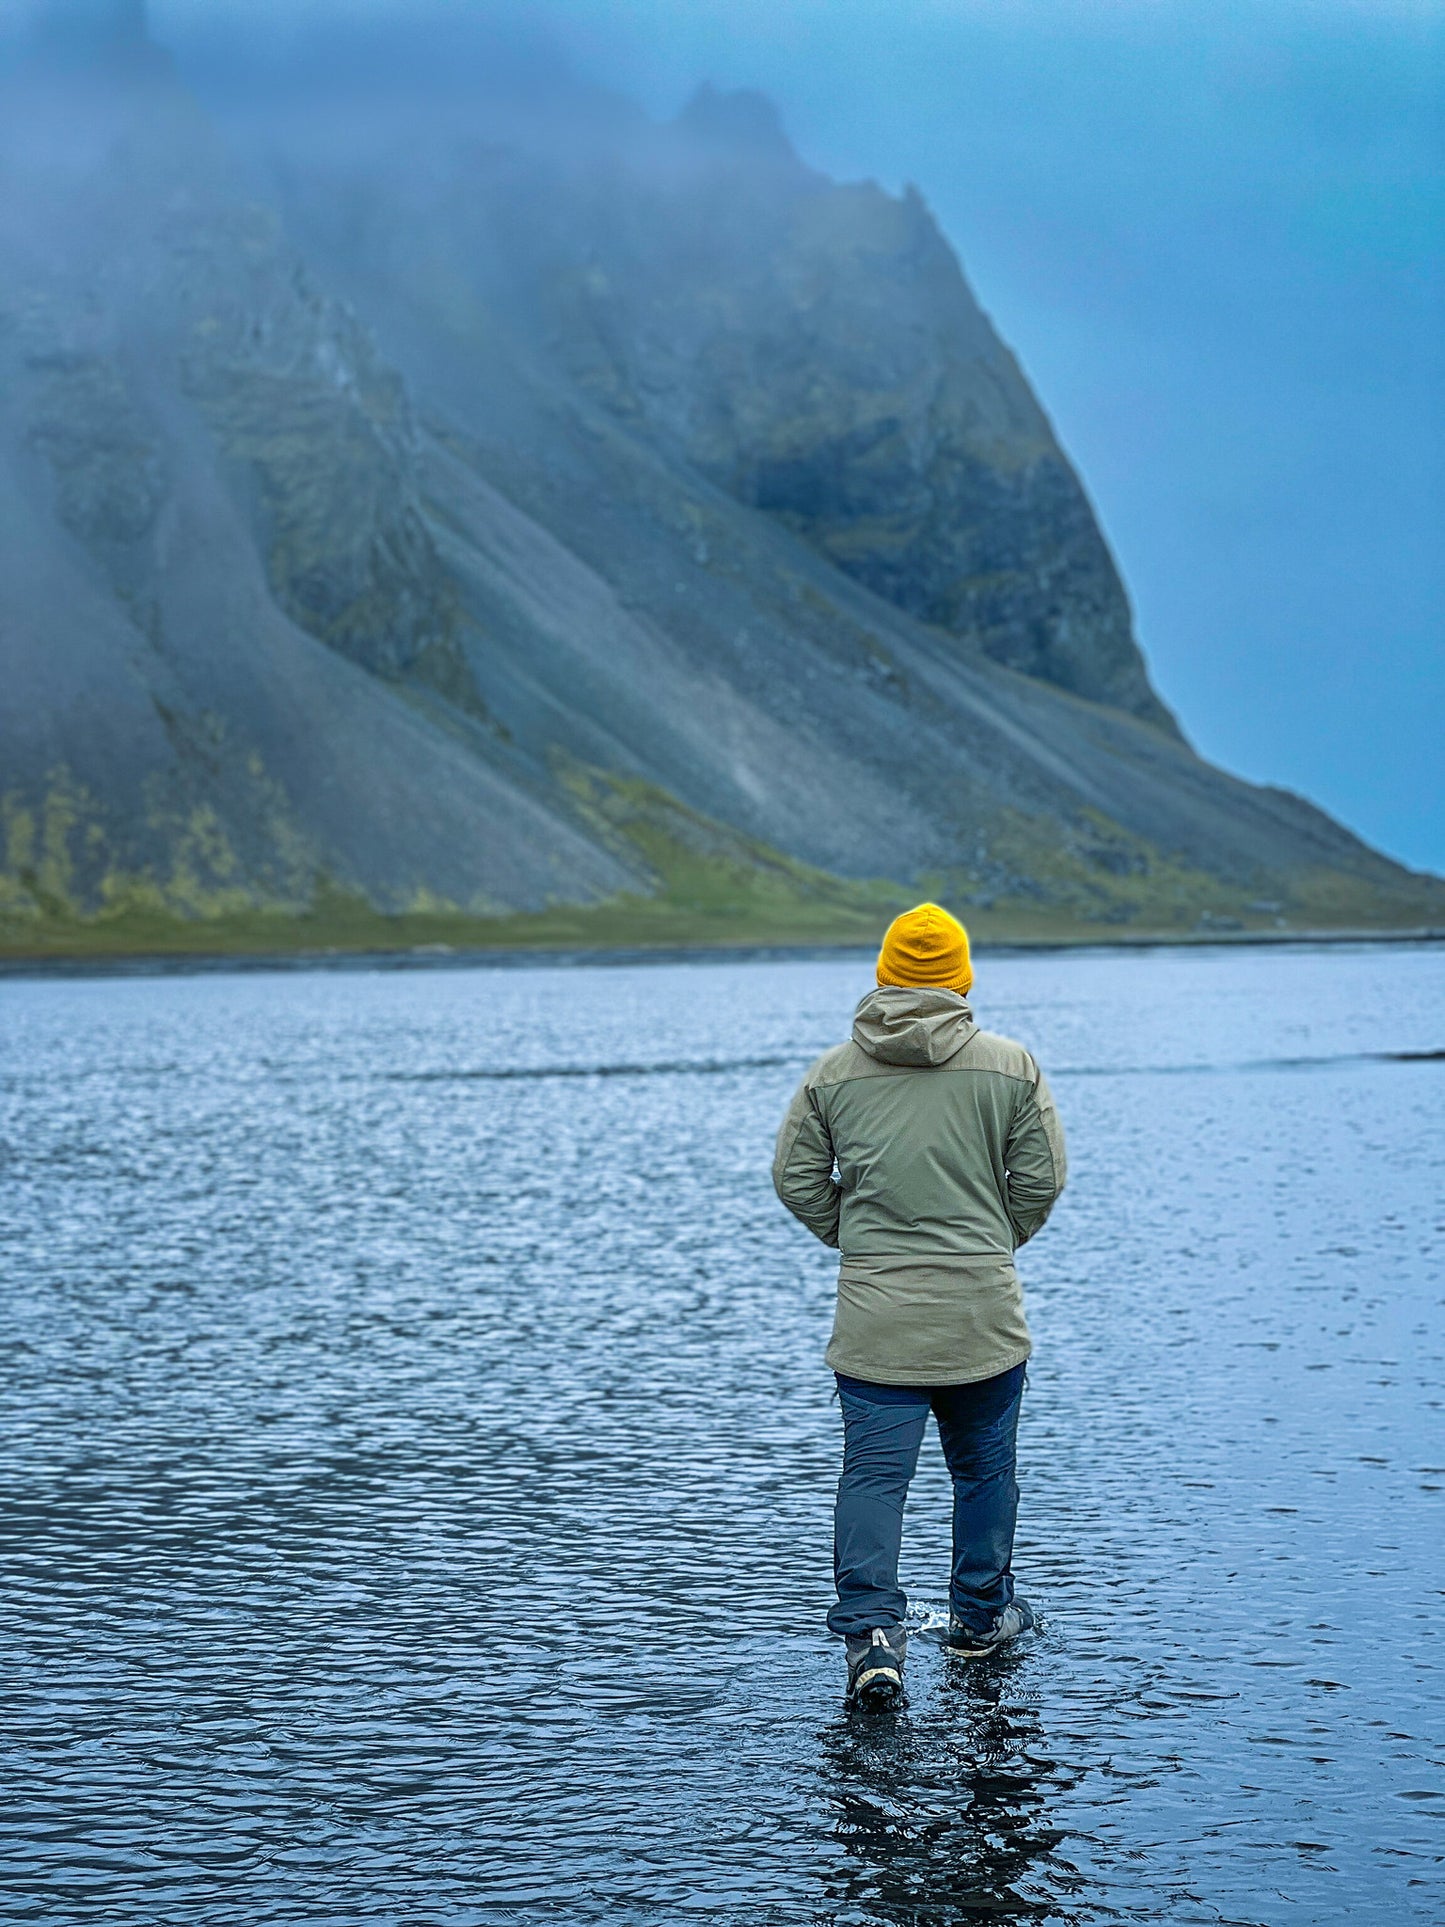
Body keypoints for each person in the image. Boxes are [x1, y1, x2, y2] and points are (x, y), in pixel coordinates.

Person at [772, 903, 1067, 1704]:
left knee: (873, 1478)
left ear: (884, 973)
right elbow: (1041, 1181)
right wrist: (988, 1243)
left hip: (876, 1322)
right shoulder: (1012, 1066)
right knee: (983, 1474)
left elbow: (794, 1179)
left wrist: (860, 1242)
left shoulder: (832, 1072)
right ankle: (979, 1620)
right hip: (983, 1318)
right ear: (960, 977)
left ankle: (872, 1636)